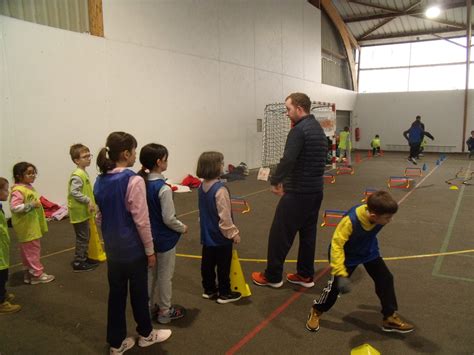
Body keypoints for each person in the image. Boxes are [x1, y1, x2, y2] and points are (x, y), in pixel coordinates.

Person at [93, 132, 171, 354]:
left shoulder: (100, 180)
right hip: (133, 250)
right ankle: (146, 335)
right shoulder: (133, 180)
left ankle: (116, 344)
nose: (135, 155)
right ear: (126, 153)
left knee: (116, 296)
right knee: (139, 294)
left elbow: (100, 217)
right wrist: (149, 250)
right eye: (134, 151)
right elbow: (141, 221)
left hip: (113, 251)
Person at [305, 191, 414, 334]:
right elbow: (336, 245)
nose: (390, 220)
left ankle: (389, 317)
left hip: (368, 251)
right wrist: (340, 272)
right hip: (346, 256)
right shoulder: (350, 221)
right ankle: (317, 310)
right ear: (374, 216)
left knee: (385, 279)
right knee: (334, 289)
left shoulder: (377, 212)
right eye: (387, 218)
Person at [252, 92, 327, 289]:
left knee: (280, 235)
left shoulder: (299, 130)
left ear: (299, 109)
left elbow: (288, 159)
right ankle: (305, 274)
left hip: (298, 194)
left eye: (289, 109)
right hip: (315, 192)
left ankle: (273, 276)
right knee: (308, 234)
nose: (287, 113)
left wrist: (276, 180)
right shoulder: (318, 129)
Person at [138, 143, 188, 324]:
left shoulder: (140, 185)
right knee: (165, 277)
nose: (167, 162)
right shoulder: (164, 189)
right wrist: (182, 227)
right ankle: (165, 311)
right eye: (165, 159)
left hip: (147, 239)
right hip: (164, 240)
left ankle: (147, 308)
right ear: (159, 162)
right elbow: (169, 219)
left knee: (150, 275)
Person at [196, 151, 241, 304]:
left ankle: (209, 290)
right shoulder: (220, 190)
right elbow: (225, 217)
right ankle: (224, 293)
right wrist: (233, 233)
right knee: (223, 265)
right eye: (222, 163)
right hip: (220, 237)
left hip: (207, 235)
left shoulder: (201, 187)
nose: (223, 165)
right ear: (215, 167)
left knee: (207, 264)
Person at [10, 162, 55, 285]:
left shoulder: (27, 187)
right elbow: (14, 207)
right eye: (29, 173)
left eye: (34, 172)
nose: (33, 175)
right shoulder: (19, 190)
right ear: (19, 176)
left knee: (27, 251)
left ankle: (29, 273)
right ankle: (37, 274)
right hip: (27, 227)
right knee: (32, 251)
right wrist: (30, 205)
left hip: (31, 225)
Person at [67, 144, 99, 272]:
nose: (88, 158)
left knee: (86, 235)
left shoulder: (82, 173)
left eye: (89, 155)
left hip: (83, 212)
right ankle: (78, 262)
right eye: (85, 156)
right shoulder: (77, 175)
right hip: (78, 213)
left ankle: (84, 258)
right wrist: (88, 201)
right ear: (76, 160)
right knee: (82, 237)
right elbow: (74, 192)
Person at [0, 177, 21, 314]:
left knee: (3, 274)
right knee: (0, 275)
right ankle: (1, 303)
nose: (8, 193)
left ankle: (3, 294)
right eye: (5, 190)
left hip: (2, 246)